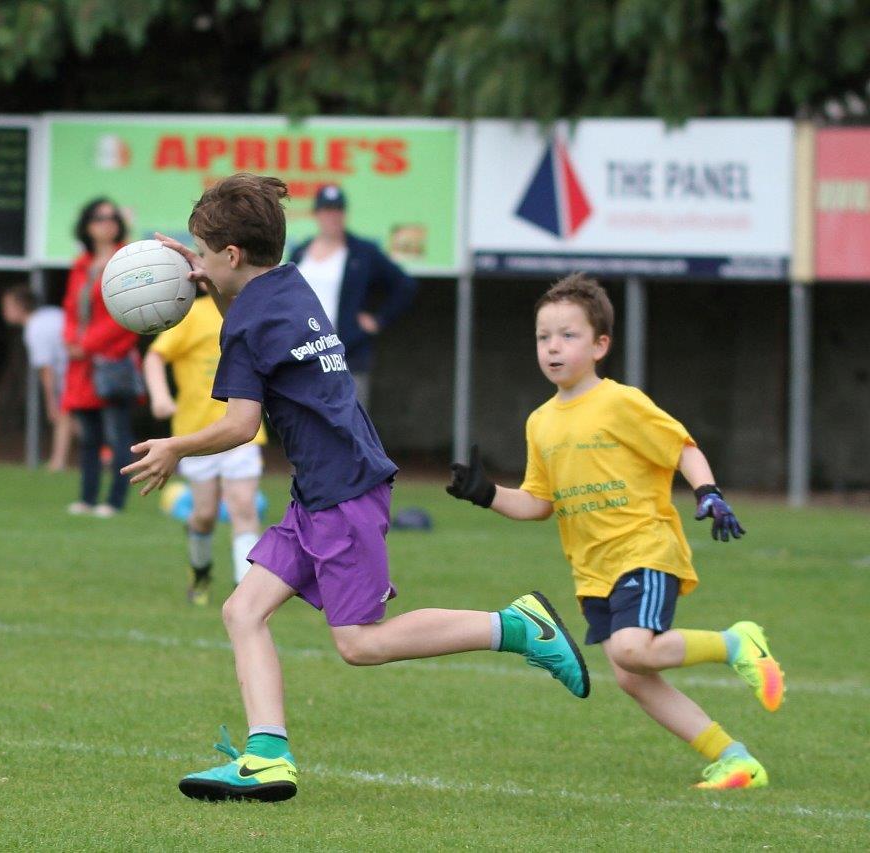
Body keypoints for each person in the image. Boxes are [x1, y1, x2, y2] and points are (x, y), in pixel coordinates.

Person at [124, 174, 589, 804]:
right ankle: (266, 756)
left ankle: (515, 627)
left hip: (339, 493)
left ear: (231, 256)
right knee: (243, 610)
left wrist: (175, 446)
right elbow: (253, 319)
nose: (196, 266)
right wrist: (209, 280)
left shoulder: (245, 325)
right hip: (326, 487)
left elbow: (240, 424)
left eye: (203, 254)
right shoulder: (288, 287)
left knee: (361, 642)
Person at [446, 273, 785, 791]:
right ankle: (734, 757)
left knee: (631, 651)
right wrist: (486, 493)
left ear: (601, 344)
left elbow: (683, 448)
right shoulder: (540, 422)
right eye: (543, 337)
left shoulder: (620, 402)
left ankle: (737, 643)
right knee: (632, 675)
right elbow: (539, 502)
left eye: (568, 335)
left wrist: (708, 492)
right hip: (592, 570)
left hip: (644, 548)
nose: (553, 347)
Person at [143, 286, 265, 605]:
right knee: (204, 515)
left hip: (243, 431)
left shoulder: (253, 311)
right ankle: (200, 571)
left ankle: (245, 590)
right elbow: (155, 356)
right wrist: (160, 397)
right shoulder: (190, 314)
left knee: (243, 507)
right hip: (197, 435)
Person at [288, 184, 417, 409]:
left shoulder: (362, 252)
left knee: (351, 423)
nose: (332, 216)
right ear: (316, 214)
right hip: (305, 354)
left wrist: (378, 320)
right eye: (327, 210)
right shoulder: (301, 252)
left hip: (347, 353)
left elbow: (404, 285)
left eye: (338, 210)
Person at [61, 198, 138, 518]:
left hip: (111, 359)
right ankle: (87, 497)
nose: (106, 222)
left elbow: (131, 313)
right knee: (89, 434)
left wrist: (88, 343)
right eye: (99, 217)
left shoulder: (128, 260)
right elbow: (69, 309)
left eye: (112, 217)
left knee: (118, 433)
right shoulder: (81, 264)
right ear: (87, 225)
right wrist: (70, 340)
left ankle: (115, 500)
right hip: (82, 364)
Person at [1, 285, 72, 471]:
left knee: (64, 415)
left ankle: (58, 462)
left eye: (8, 306)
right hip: (78, 368)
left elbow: (46, 368)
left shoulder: (34, 329)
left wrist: (50, 401)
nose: (4, 311)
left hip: (73, 372)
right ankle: (59, 461)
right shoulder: (52, 314)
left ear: (21, 306)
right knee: (71, 417)